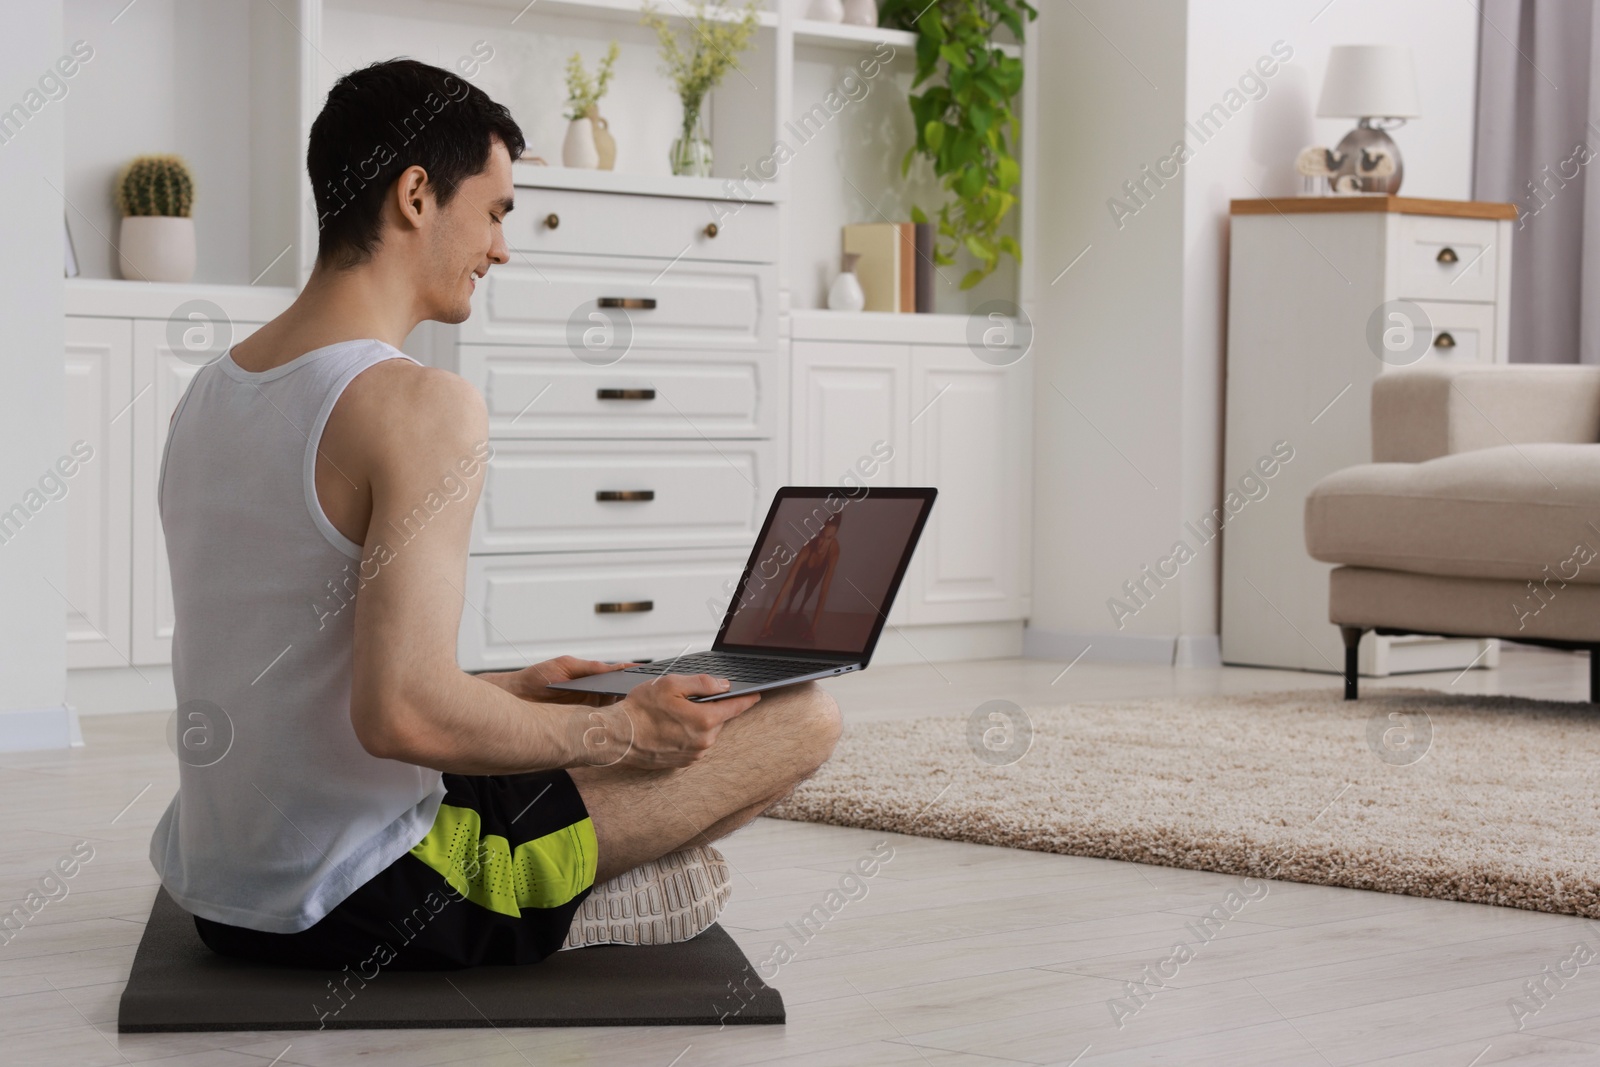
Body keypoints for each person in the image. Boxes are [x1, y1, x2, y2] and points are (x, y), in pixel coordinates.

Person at [149, 58, 840, 970]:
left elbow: (296, 667)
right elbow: (397, 715)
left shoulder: (211, 391)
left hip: (224, 887)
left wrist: (512, 689)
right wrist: (623, 729)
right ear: (416, 195)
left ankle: (583, 847)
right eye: (498, 210)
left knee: (638, 719)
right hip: (372, 890)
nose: (503, 247)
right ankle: (579, 901)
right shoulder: (421, 405)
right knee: (803, 716)